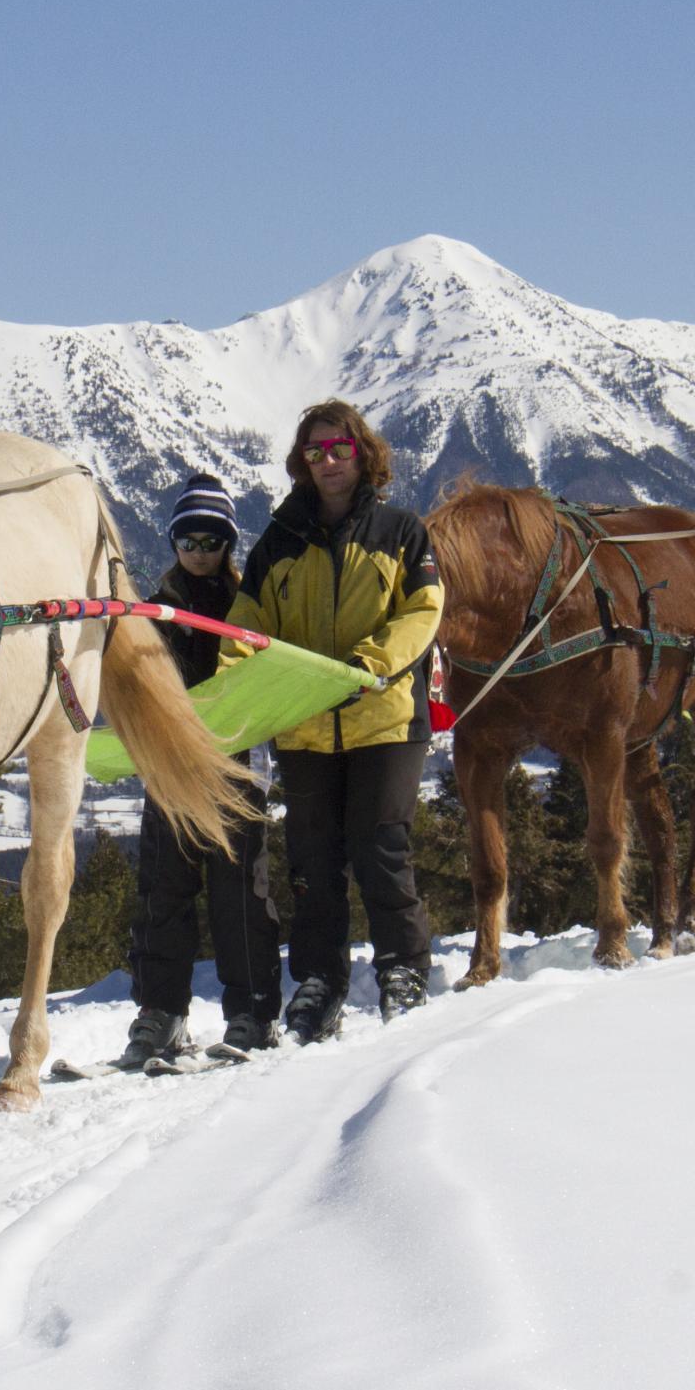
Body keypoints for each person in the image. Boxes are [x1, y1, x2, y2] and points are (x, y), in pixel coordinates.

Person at [222, 402, 444, 1043]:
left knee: (381, 848)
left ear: (362, 451)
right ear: (301, 463)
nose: (327, 463)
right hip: (305, 726)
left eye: (338, 449)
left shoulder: (402, 532)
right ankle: (321, 981)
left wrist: (366, 666)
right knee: (312, 863)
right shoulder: (279, 543)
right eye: (314, 453)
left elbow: (423, 612)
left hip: (384, 718)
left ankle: (403, 967)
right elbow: (245, 624)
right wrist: (240, 679)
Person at [110, 474, 286, 1069]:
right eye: (189, 538)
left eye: (213, 540)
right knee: (164, 892)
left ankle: (252, 1009)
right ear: (173, 541)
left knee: (240, 895)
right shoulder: (156, 608)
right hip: (171, 768)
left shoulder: (248, 605)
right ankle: (161, 1013)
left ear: (230, 543)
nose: (201, 551)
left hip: (237, 766)